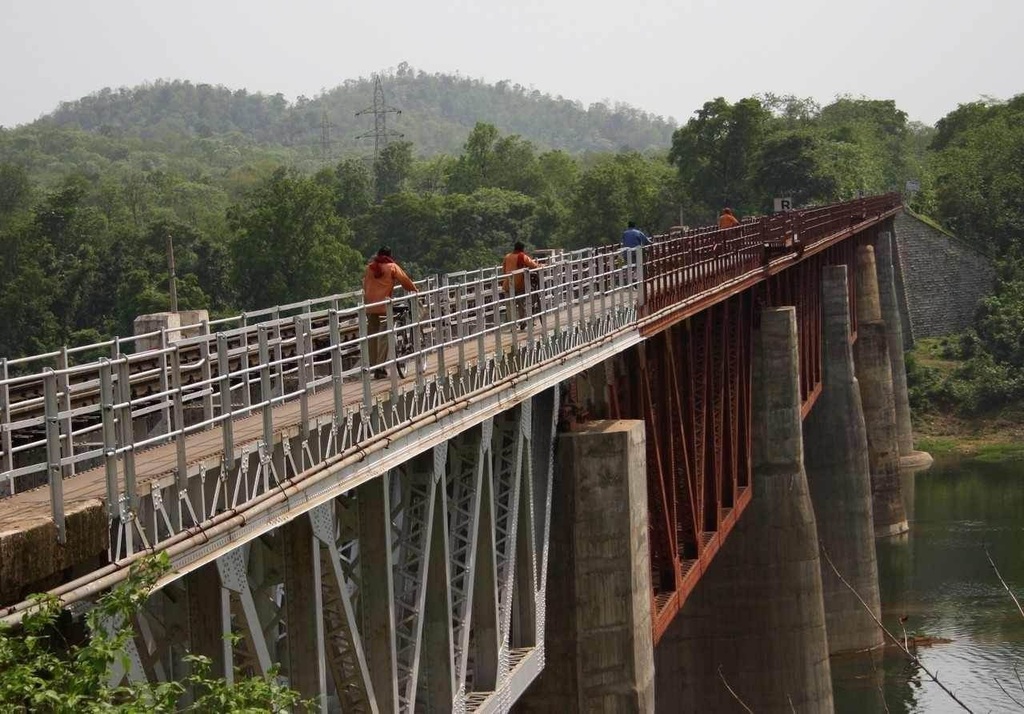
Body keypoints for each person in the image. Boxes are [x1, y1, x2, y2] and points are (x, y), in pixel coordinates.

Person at [362, 246, 417, 378]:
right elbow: (404, 280)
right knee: (384, 335)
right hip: (384, 306)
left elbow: (365, 285)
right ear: (389, 255)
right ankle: (380, 368)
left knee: (372, 336)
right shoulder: (392, 266)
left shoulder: (369, 268)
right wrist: (415, 290)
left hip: (370, 306)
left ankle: (373, 365)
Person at [502, 241, 540, 328]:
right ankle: (522, 321)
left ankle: (512, 325)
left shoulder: (507, 257)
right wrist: (542, 265)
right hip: (520, 285)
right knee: (522, 304)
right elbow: (534, 266)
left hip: (508, 284)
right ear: (522, 249)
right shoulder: (523, 256)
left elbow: (504, 271)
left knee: (509, 306)